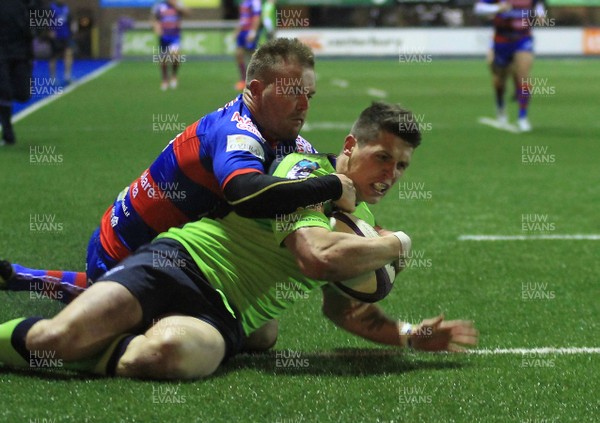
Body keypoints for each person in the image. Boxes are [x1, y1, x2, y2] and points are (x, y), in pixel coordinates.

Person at [0, 101, 478, 380]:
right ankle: (91, 322)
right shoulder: (306, 171)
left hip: (222, 314)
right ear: (351, 147)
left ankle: (114, 330)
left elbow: (344, 310)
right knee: (53, 339)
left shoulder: (362, 220)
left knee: (164, 355)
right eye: (382, 159)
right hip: (178, 264)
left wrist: (409, 335)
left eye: (401, 167)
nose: (390, 175)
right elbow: (315, 257)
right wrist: (398, 244)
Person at [1, 38, 355, 299]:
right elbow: (245, 194)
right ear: (256, 90)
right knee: (206, 335)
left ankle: (25, 277)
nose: (304, 105)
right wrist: (331, 187)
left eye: (310, 95)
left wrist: (351, 172)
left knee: (254, 330)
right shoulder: (235, 131)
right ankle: (34, 279)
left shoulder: (277, 129)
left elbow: (320, 165)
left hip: (158, 252)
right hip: (120, 252)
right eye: (294, 92)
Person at [474, 0, 547, 132]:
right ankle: (501, 107)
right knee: (500, 80)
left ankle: (522, 117)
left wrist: (540, 15)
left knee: (524, 76)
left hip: (523, 38)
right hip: (501, 40)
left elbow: (539, 7)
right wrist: (496, 8)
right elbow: (479, 9)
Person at [0, 0, 41, 146]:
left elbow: (38, 14)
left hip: (21, 51)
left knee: (24, 95)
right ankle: (8, 133)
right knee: (4, 92)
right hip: (2, 51)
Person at [152, 0, 189, 91]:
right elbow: (155, 19)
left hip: (175, 36)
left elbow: (187, 13)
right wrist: (157, 28)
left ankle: (174, 76)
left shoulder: (178, 4)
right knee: (163, 60)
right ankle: (165, 79)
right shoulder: (159, 6)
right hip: (164, 36)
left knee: (176, 55)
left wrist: (177, 7)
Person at [234, 0, 262, 91]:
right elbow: (243, 18)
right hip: (242, 31)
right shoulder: (244, 1)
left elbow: (257, 17)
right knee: (239, 54)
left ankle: (256, 79)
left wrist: (253, 32)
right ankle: (243, 80)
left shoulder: (255, 1)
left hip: (249, 31)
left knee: (252, 56)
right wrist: (238, 30)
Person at [48, 0, 74, 86]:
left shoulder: (66, 8)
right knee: (53, 57)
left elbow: (70, 19)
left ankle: (67, 76)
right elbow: (46, 20)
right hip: (56, 37)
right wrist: (50, 30)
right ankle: (53, 77)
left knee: (68, 54)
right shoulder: (51, 8)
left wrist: (72, 29)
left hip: (66, 36)